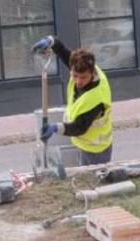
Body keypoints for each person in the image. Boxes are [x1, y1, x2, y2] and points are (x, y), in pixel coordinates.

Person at [30, 35, 113, 165]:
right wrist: (50, 42)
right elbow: (62, 50)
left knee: (93, 181)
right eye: (75, 76)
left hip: (96, 150)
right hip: (83, 143)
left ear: (92, 73)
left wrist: (55, 127)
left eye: (83, 77)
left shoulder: (96, 98)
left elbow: (79, 128)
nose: (78, 81)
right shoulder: (80, 65)